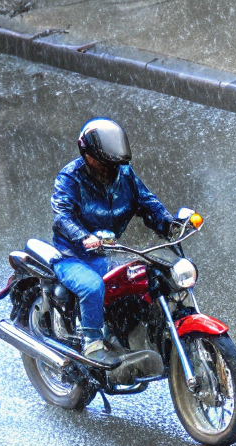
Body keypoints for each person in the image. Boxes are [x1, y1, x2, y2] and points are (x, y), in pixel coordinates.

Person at [51, 118, 180, 367]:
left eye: (113, 164)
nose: (109, 169)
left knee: (142, 279)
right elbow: (62, 217)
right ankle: (92, 344)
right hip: (72, 255)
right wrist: (83, 237)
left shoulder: (125, 174)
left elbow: (148, 203)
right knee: (93, 287)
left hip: (106, 252)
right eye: (103, 162)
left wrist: (168, 223)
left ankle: (134, 337)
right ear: (86, 154)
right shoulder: (70, 177)